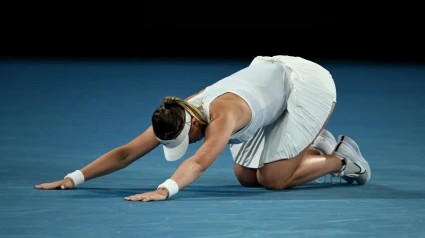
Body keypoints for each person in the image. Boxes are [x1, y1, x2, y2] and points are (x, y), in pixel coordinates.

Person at [35, 55, 371, 202]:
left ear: (194, 123)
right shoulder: (177, 114)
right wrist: (74, 178)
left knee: (272, 179)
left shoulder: (222, 118)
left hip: (305, 85)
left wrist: (165, 190)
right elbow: (126, 153)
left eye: (189, 139)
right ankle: (314, 147)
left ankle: (341, 158)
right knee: (245, 178)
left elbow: (197, 163)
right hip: (272, 88)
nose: (190, 143)